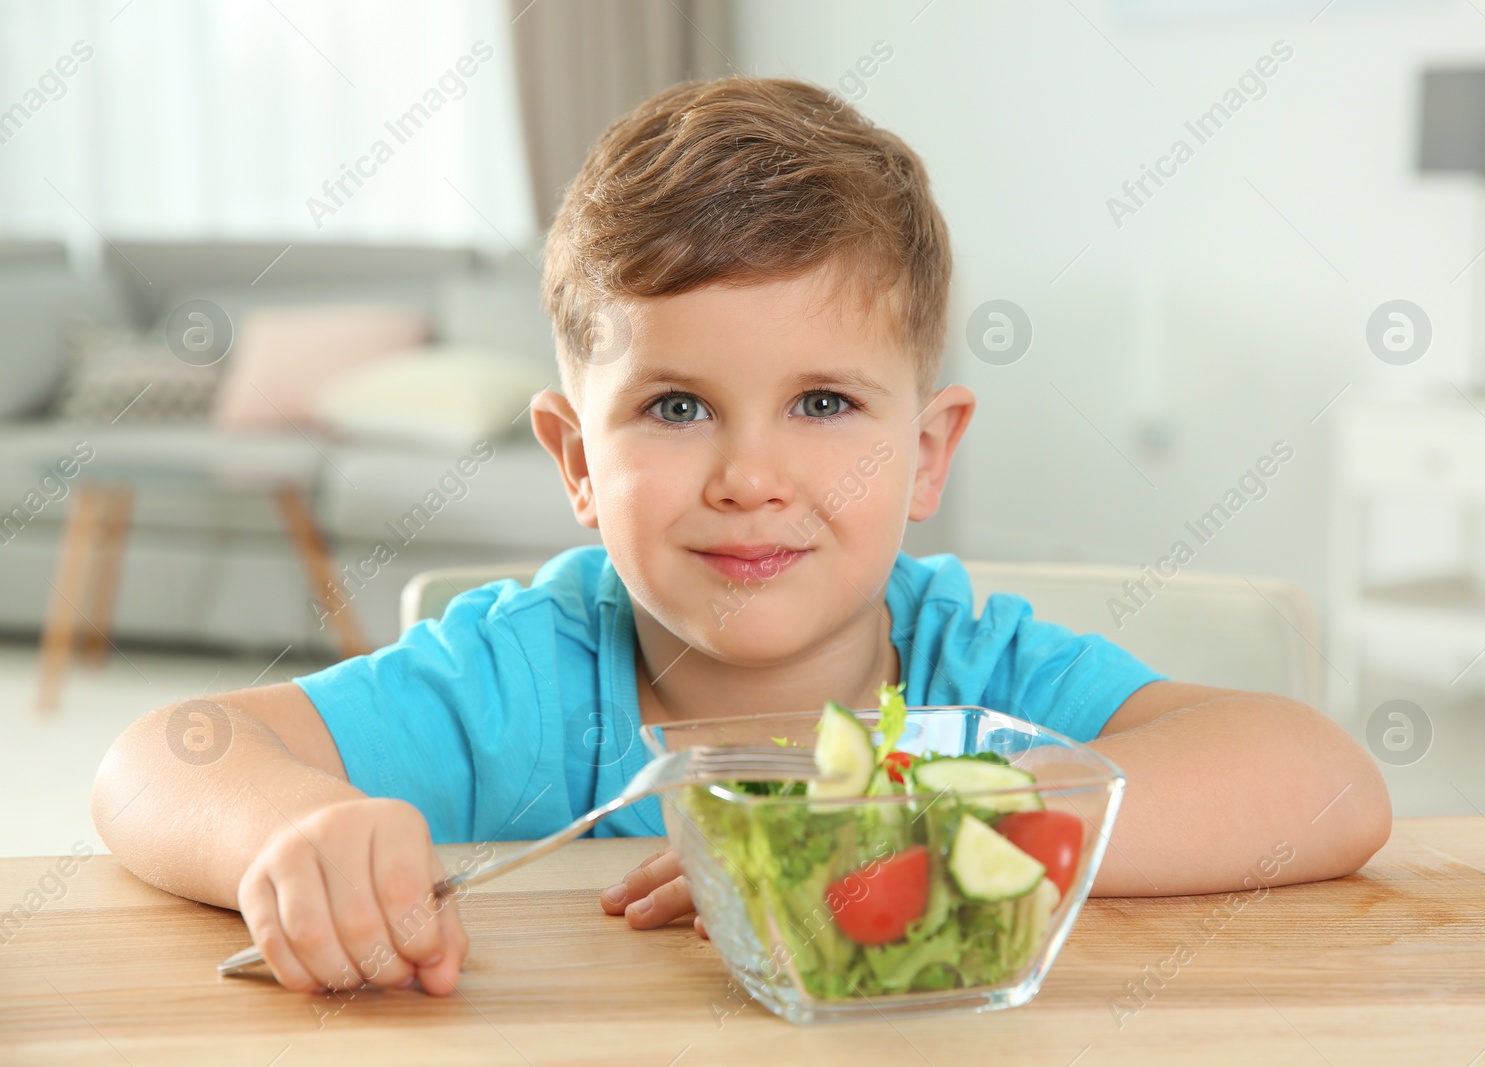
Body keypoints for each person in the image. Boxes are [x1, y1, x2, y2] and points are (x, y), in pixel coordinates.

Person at [91, 76, 1390, 997]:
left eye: (824, 403)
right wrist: (288, 836)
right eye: (674, 407)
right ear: (575, 462)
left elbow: (1328, 785)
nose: (752, 476)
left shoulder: (967, 672)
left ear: (928, 452)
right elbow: (157, 759)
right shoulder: (522, 678)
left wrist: (923, 823)